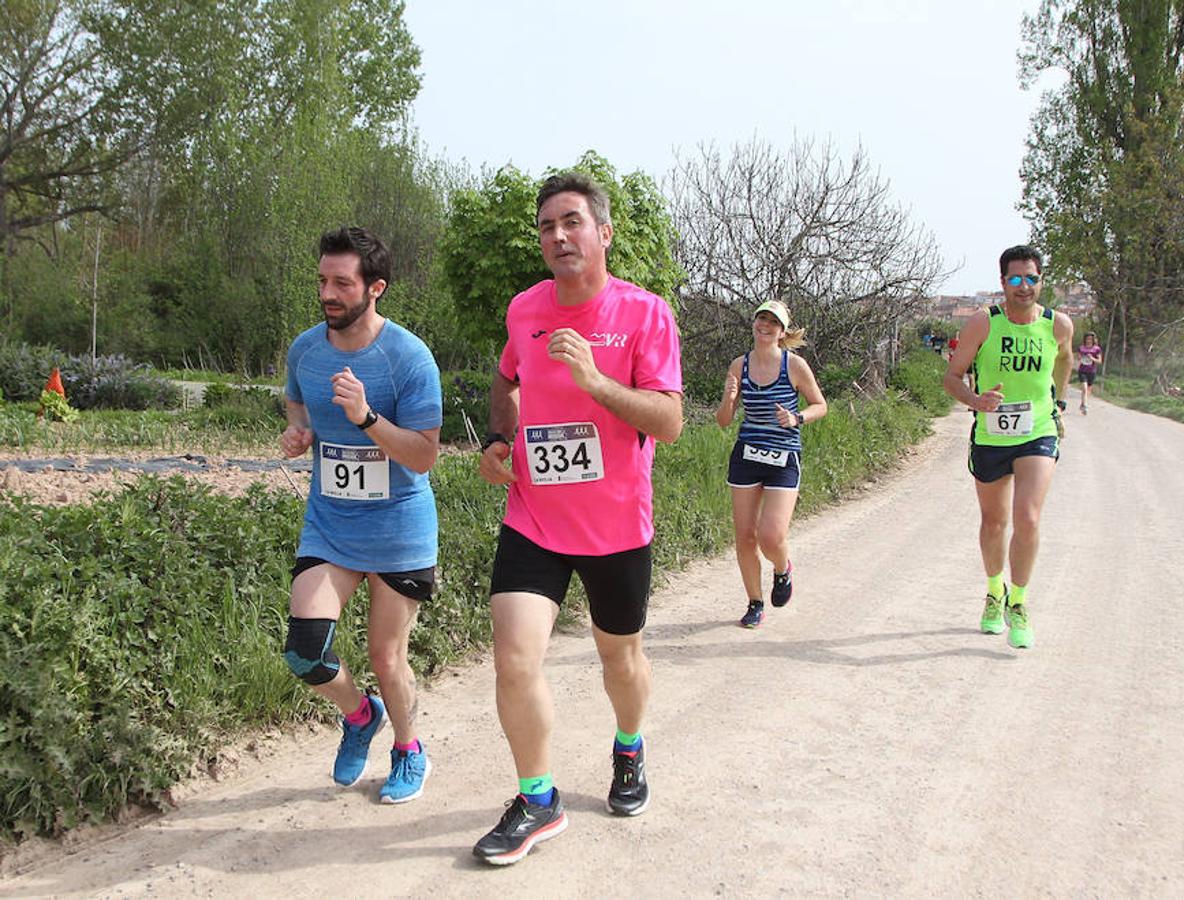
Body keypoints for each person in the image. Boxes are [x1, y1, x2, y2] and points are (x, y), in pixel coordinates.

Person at [473, 172, 683, 865]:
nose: (557, 237)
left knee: (618, 659)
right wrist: (498, 441)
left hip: (615, 527)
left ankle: (628, 746)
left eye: (571, 222)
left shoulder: (645, 313)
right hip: (533, 515)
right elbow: (505, 379)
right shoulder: (524, 309)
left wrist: (595, 381)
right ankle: (537, 799)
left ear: (602, 233)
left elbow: (670, 421)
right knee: (513, 656)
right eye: (545, 227)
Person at [280, 227, 442, 803]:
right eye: (323, 280)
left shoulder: (407, 357)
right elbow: (297, 397)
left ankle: (408, 748)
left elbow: (424, 456)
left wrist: (366, 417)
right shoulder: (305, 348)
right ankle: (357, 716)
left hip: (399, 529)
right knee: (304, 649)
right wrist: (301, 431)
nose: (328, 292)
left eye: (342, 283)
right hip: (331, 524)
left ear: (375, 288)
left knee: (384, 653)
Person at [943, 245, 1073, 649]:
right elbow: (952, 377)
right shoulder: (984, 323)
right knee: (994, 523)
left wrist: (1059, 403)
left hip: (1037, 431)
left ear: (1041, 281)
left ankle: (1019, 602)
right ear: (1002, 283)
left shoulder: (1058, 325)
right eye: (1015, 279)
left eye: (1031, 278)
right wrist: (976, 401)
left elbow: (1064, 362)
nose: (1023, 286)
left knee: (1028, 518)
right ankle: (993, 592)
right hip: (992, 434)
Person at [715, 300, 827, 628]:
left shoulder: (795, 366)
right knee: (745, 536)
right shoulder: (740, 365)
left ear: (782, 332)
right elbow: (724, 420)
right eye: (761, 320)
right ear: (754, 324)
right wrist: (728, 396)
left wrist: (796, 418)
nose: (765, 326)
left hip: (783, 456)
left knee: (771, 535)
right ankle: (754, 602)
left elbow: (821, 405)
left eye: (772, 323)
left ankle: (782, 569)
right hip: (747, 454)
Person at [1077, 332, 1103, 414]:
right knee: (1084, 388)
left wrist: (1092, 358)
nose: (1089, 340)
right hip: (1082, 371)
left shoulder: (1097, 349)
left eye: (1090, 339)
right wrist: (1080, 357)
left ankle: (1083, 403)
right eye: (1087, 339)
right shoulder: (1081, 348)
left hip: (1091, 371)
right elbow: (1078, 358)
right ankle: (1085, 406)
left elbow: (1099, 361)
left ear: (1093, 340)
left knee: (1088, 390)